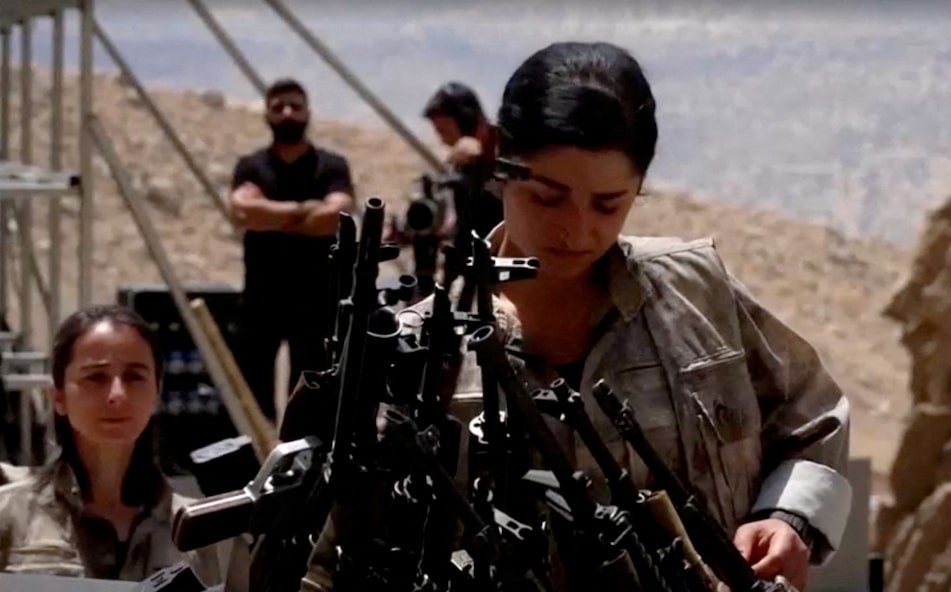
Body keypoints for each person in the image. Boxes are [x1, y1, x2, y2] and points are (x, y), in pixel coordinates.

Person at [303, 42, 851, 592]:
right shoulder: (417, 355)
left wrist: (788, 518)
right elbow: (330, 556)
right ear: (501, 167)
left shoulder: (697, 294)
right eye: (548, 197)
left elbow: (814, 418)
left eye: (608, 203)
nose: (577, 229)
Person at [0, 305, 234, 585]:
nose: (117, 394)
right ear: (58, 397)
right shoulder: (9, 515)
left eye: (134, 377)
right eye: (95, 377)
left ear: (156, 392)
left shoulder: (197, 530)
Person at [230, 78, 356, 422]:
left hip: (316, 300)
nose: (287, 113)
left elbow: (333, 218)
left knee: (310, 401)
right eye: (278, 107)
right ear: (267, 116)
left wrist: (271, 215)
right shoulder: (251, 167)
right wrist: (305, 212)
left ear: (308, 113)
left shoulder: (331, 166)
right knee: (252, 399)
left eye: (295, 106)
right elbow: (243, 212)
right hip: (262, 299)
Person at [422, 81, 504, 238]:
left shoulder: (502, 146)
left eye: (444, 131)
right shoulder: (462, 163)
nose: (443, 140)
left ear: (465, 120)